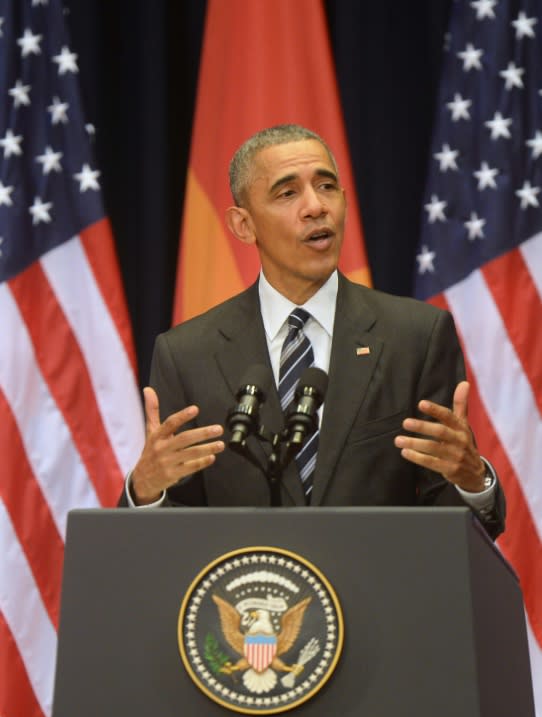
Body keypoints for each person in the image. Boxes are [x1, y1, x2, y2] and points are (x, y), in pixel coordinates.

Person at [121, 124, 505, 540]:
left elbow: (454, 529)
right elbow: (167, 541)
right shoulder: (187, 355)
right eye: (287, 193)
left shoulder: (415, 336)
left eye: (327, 186)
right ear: (243, 225)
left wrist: (471, 481)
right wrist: (145, 491)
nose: (315, 206)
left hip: (380, 598)